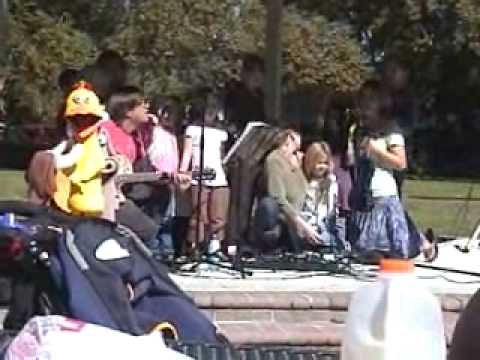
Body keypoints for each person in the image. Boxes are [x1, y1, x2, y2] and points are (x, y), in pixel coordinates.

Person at [348, 80, 437, 263]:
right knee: (364, 251)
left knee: (398, 249)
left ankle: (424, 244)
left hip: (384, 192)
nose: (365, 104)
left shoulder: (391, 130)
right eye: (363, 99)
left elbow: (400, 163)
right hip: (365, 193)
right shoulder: (359, 130)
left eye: (370, 100)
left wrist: (378, 152)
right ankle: (421, 241)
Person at [100, 86, 166, 258]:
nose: (147, 107)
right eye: (142, 104)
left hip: (126, 191)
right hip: (107, 198)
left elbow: (140, 168)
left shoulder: (136, 136)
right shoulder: (106, 131)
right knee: (149, 232)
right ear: (128, 111)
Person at [179, 94, 230, 260]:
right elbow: (187, 153)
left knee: (218, 215)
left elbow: (222, 156)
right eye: (208, 110)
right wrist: (182, 172)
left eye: (214, 110)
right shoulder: (192, 130)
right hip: (198, 175)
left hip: (219, 177)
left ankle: (215, 246)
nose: (211, 113)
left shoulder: (221, 133)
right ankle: (195, 247)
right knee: (199, 215)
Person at [254, 129, 320, 254]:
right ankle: (271, 245)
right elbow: (277, 197)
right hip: (286, 217)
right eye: (295, 147)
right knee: (269, 204)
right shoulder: (275, 160)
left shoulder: (297, 161)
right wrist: (301, 223)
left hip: (303, 213)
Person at [300, 142, 347, 251]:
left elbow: (332, 212)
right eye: (319, 163)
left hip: (326, 233)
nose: (322, 167)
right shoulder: (302, 181)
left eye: (325, 163)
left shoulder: (331, 182)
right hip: (306, 231)